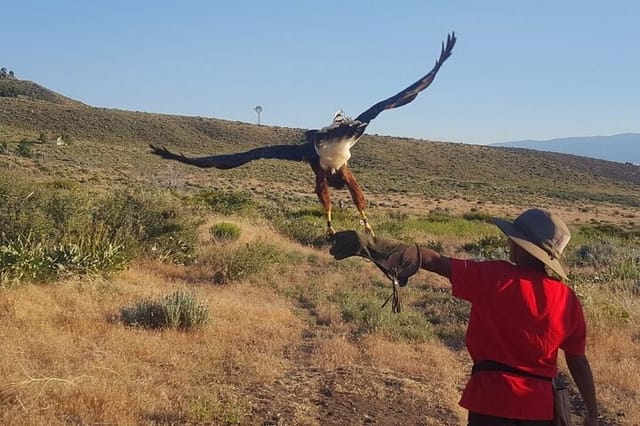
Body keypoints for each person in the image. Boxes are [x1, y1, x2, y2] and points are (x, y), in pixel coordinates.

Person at [329, 208, 598, 426]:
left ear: (521, 247)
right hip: (540, 408)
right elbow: (578, 362)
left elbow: (436, 261)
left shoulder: (495, 277)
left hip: (490, 401)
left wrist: (373, 244)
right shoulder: (568, 299)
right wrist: (592, 412)